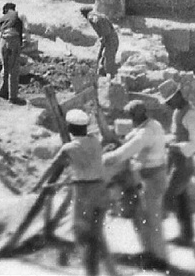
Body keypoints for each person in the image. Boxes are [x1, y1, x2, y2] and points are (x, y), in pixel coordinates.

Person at [107, 98, 173, 267]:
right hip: (151, 177)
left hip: (152, 179)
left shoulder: (146, 133)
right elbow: (133, 137)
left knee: (152, 220)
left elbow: (127, 150)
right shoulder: (152, 124)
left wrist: (106, 159)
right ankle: (151, 253)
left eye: (132, 116)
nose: (131, 119)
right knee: (143, 217)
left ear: (138, 115)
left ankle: (159, 260)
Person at [51, 108, 117, 276]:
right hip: (101, 189)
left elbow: (55, 165)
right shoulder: (95, 141)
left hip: (84, 192)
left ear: (70, 128)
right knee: (96, 234)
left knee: (82, 235)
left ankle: (91, 272)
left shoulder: (68, 148)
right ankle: (110, 271)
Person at [164, 86, 195, 248]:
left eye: (169, 100)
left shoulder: (191, 115)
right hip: (175, 160)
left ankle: (157, 233)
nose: (168, 104)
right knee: (181, 199)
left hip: (184, 162)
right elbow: (176, 134)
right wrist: (168, 141)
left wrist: (176, 146)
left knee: (168, 197)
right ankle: (187, 234)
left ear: (178, 96)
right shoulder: (177, 112)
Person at [0, 2, 27, 102]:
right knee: (13, 69)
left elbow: (2, 30)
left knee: (5, 67)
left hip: (3, 41)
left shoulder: (3, 19)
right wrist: (21, 44)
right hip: (13, 40)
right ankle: (13, 97)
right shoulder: (18, 17)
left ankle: (2, 92)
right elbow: (23, 31)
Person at [83, 6, 120, 78]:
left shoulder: (91, 17)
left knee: (109, 56)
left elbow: (102, 27)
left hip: (110, 37)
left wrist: (103, 37)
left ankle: (109, 77)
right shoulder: (96, 14)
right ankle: (101, 73)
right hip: (109, 36)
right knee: (104, 57)